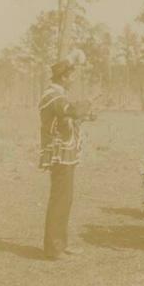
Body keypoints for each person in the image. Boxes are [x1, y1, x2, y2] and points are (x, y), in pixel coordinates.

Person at [39, 57, 94, 261]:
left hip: (65, 151)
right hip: (58, 152)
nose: (73, 80)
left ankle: (60, 244)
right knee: (61, 199)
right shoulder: (53, 95)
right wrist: (87, 103)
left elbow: (69, 117)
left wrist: (84, 115)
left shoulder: (58, 94)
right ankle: (54, 248)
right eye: (71, 76)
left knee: (65, 198)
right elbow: (70, 110)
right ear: (63, 77)